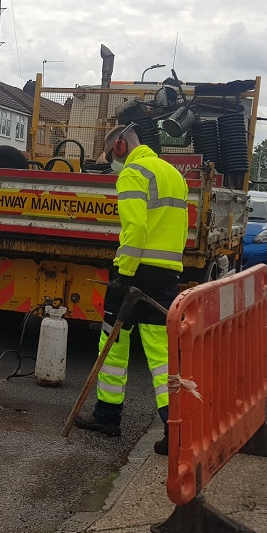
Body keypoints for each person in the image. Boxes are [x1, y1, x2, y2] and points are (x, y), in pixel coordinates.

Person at [74, 123, 189, 455]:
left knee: (112, 346)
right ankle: (175, 428)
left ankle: (108, 417)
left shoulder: (132, 174)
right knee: (162, 355)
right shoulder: (172, 174)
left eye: (111, 155)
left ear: (120, 147)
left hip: (134, 273)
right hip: (166, 274)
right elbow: (181, 228)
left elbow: (135, 227)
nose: (111, 162)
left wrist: (124, 273)